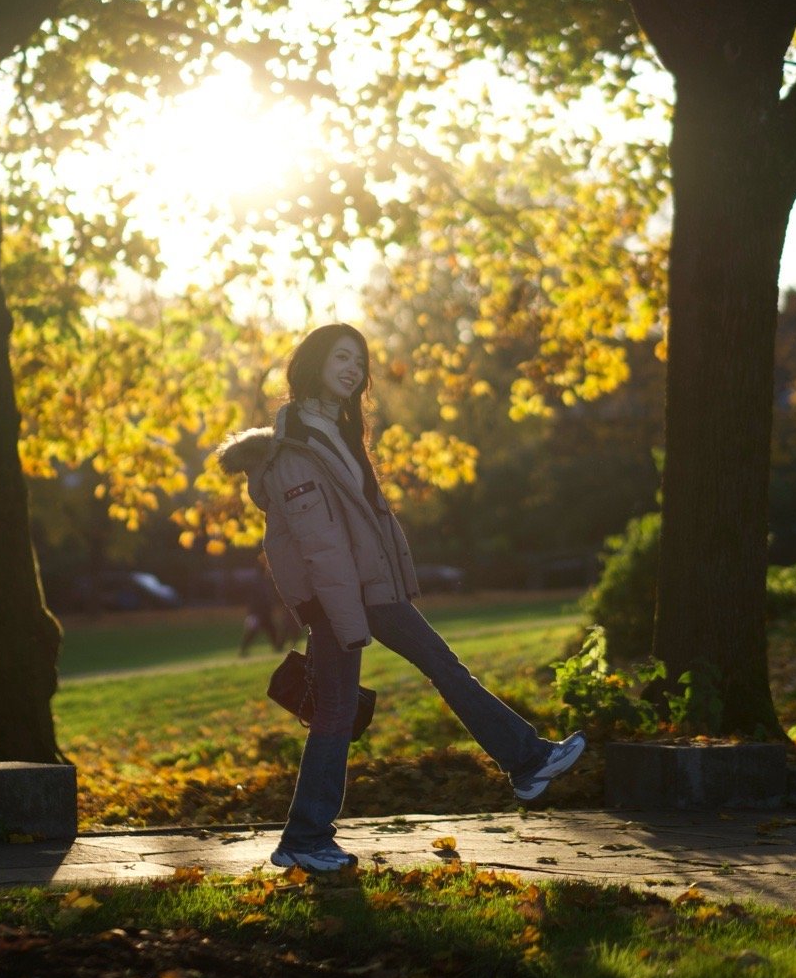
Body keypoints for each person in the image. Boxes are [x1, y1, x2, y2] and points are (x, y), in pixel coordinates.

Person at [218, 323, 586, 874]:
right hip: (344, 599)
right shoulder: (295, 446)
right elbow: (317, 545)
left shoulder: (337, 433)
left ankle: (525, 761)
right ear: (314, 362)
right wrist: (338, 617)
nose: (353, 369)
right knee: (355, 705)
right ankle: (307, 837)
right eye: (342, 357)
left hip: (366, 591)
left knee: (381, 693)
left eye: (359, 361)